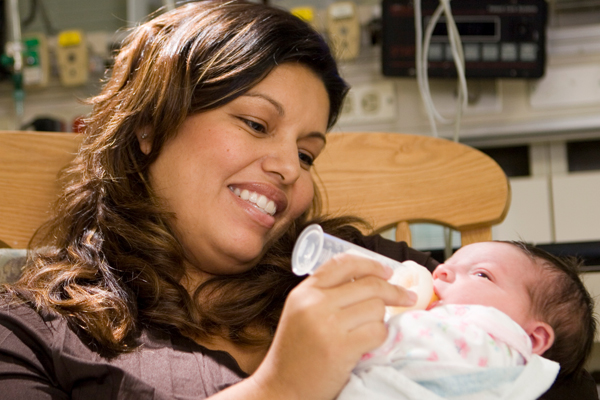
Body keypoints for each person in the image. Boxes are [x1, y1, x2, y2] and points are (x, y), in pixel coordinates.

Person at [0, 1, 596, 399]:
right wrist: (280, 387)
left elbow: (552, 372)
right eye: (257, 125)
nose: (289, 167)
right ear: (150, 128)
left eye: (308, 153)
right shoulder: (34, 333)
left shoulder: (354, 268)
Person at [338, 241, 597, 400]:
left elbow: (378, 343)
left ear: (531, 338)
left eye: (482, 274)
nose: (440, 270)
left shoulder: (480, 339)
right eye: (449, 263)